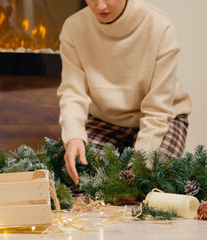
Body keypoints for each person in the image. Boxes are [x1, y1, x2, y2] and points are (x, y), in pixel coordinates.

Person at [57, 0, 192, 185]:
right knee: (84, 183)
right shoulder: (74, 27)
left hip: (162, 119)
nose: (100, 6)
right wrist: (73, 136)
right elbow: (72, 93)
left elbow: (157, 110)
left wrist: (139, 164)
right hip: (104, 120)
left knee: (150, 186)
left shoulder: (160, 27)